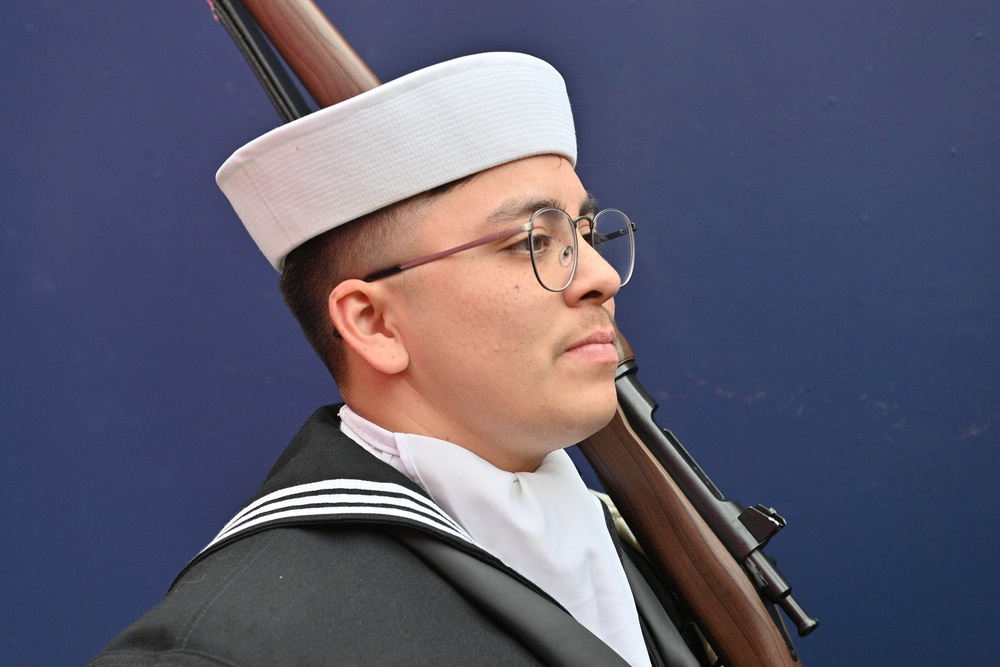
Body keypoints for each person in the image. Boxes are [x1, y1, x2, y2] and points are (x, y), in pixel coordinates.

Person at [90, 52, 701, 667]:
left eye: (586, 235)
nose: (599, 277)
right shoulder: (225, 650)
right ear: (373, 323)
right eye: (530, 242)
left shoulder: (636, 547)